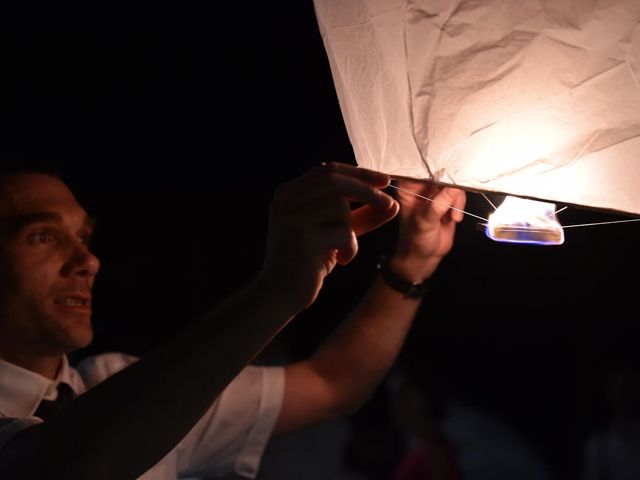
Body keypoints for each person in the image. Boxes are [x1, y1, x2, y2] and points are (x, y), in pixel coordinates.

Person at [0, 161, 465, 479]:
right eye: (41, 236)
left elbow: (333, 384)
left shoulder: (114, 384)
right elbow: (63, 466)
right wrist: (276, 291)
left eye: (84, 236)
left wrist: (412, 264)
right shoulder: (123, 406)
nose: (87, 260)